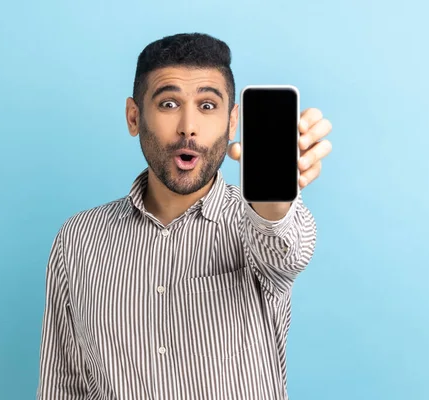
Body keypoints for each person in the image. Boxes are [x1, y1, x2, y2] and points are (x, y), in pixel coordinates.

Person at [36, 32, 333, 400]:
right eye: (168, 104)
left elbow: (285, 248)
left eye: (208, 106)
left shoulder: (251, 223)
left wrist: (275, 199)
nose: (188, 127)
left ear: (232, 121)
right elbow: (64, 385)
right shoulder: (78, 239)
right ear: (134, 117)